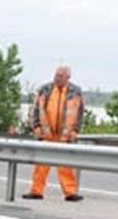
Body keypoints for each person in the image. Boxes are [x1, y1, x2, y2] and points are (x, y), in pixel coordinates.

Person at [22, 65, 85, 202]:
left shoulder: (75, 91)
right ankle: (36, 191)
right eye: (56, 75)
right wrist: (36, 126)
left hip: (65, 134)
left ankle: (70, 192)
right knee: (41, 165)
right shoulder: (45, 89)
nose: (57, 78)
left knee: (65, 165)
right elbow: (36, 109)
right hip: (46, 133)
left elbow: (79, 114)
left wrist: (76, 130)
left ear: (68, 77)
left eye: (61, 76)